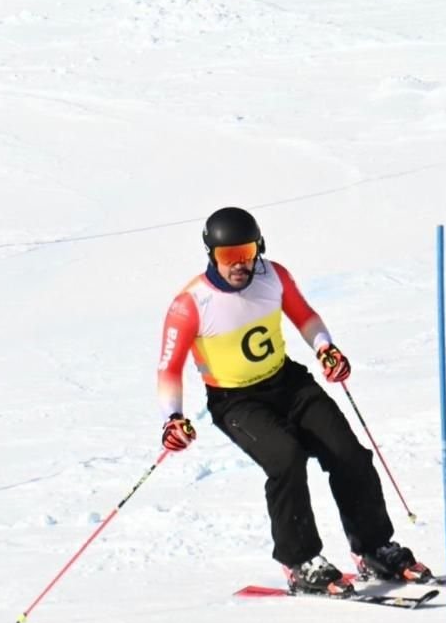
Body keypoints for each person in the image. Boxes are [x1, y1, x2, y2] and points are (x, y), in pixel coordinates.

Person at [156, 207, 427, 596]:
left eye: (247, 253)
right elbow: (169, 369)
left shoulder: (273, 276)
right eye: (228, 256)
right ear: (211, 256)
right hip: (236, 401)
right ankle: (300, 561)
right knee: (285, 459)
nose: (240, 265)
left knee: (349, 453)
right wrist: (172, 418)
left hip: (288, 383)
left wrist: (325, 349)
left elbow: (306, 317)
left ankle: (373, 549)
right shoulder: (190, 304)